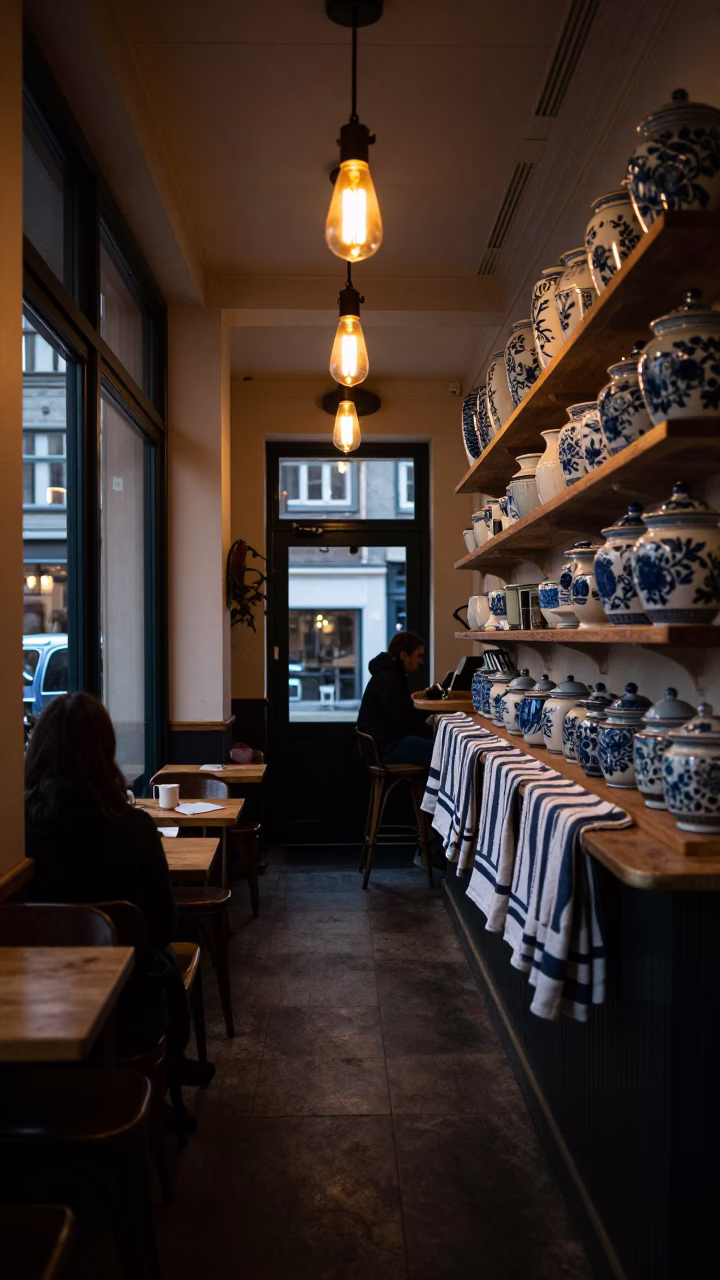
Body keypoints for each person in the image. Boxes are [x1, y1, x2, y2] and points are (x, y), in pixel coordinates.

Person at [24, 693, 211, 1116]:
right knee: (179, 940)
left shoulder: (17, 833)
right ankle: (168, 1070)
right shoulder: (133, 827)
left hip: (35, 1007)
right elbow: (163, 926)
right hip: (128, 1013)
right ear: (105, 751)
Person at [357, 631, 434, 768]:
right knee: (443, 753)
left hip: (382, 744)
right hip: (386, 748)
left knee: (440, 746)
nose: (421, 662)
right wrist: (428, 724)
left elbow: (404, 717)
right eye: (419, 656)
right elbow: (404, 723)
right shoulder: (389, 679)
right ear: (404, 655)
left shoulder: (389, 674)